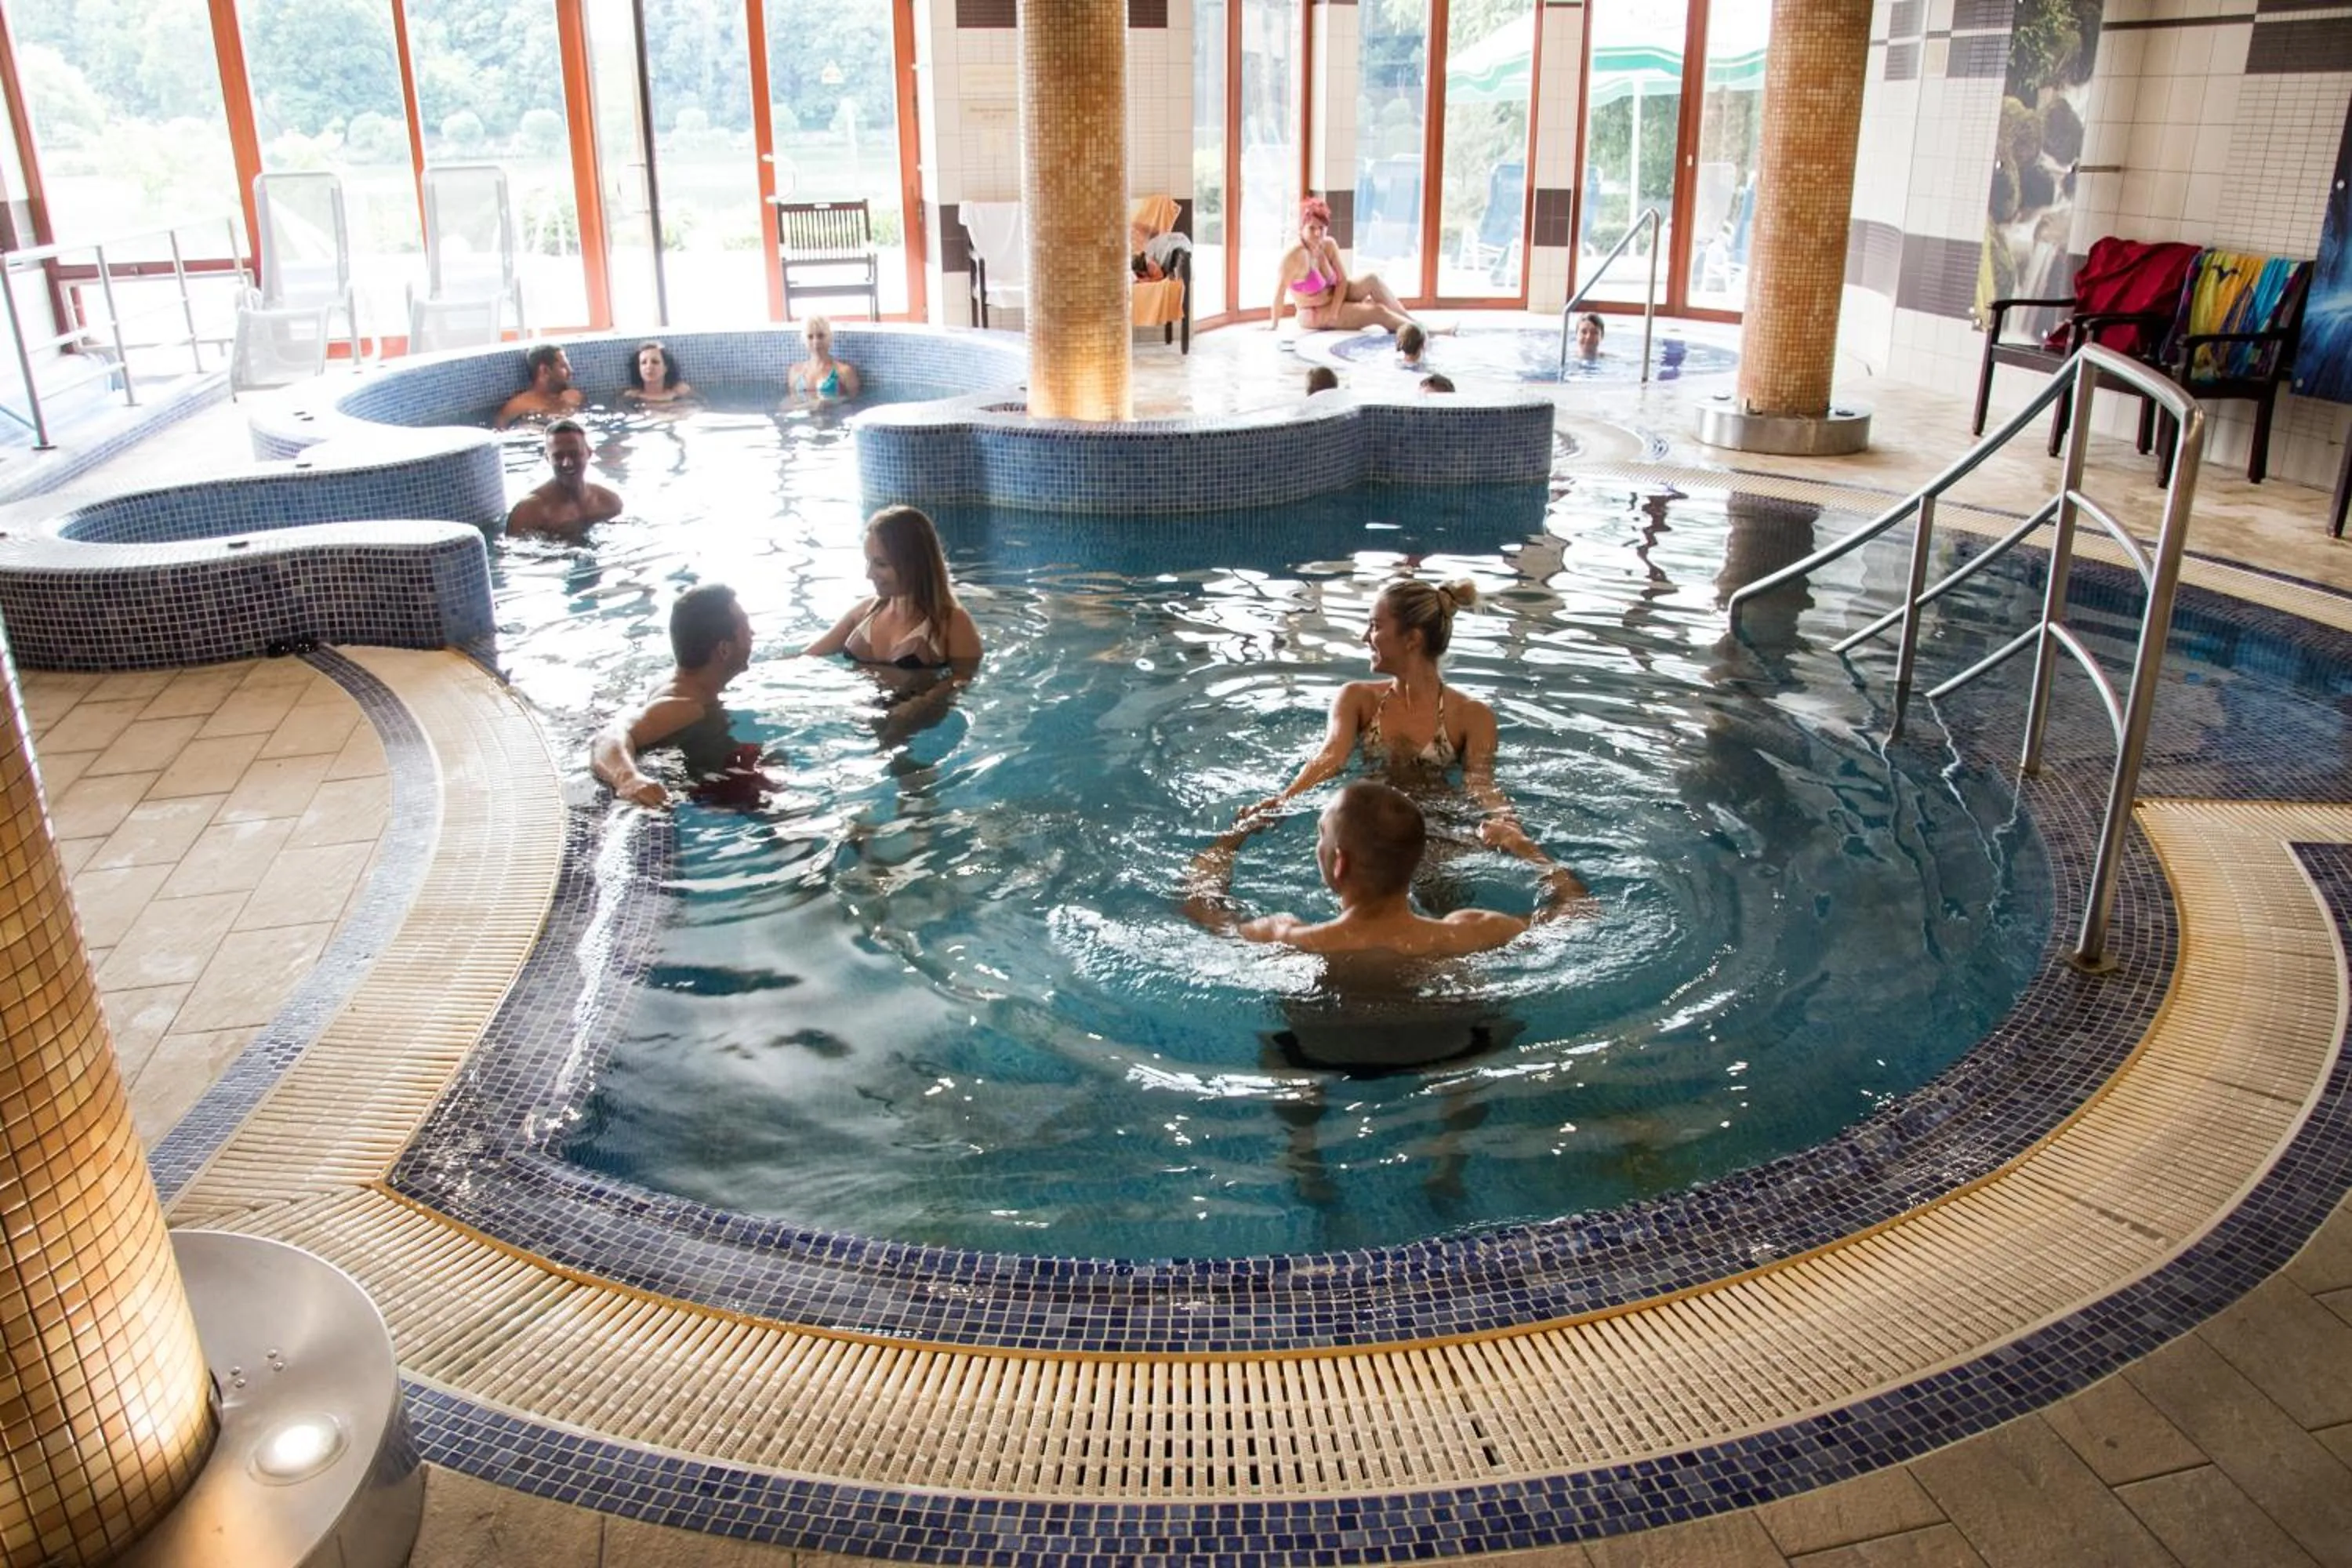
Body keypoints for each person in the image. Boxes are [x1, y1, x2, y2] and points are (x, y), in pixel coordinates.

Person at [1185, 780, 1587, 957]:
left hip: (1320, 1051)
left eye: (1320, 835)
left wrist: (1233, 837)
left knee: (1283, 1055)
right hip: (1451, 1046)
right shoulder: (1470, 931)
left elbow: (1200, 905)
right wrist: (1526, 849)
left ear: (1339, 863)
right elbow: (1576, 913)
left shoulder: (1290, 938)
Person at [1245, 578, 1501, 821]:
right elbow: (1330, 757)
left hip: (1439, 822)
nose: (1365, 637)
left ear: (1412, 639)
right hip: (1371, 822)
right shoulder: (1358, 699)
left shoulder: (1472, 716)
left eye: (1376, 626)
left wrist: (1507, 822)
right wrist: (1284, 800)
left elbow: (1480, 785)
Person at [591, 583, 757, 809]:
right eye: (746, 629)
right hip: (707, 792)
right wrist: (629, 779)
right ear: (724, 650)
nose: (753, 634)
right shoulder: (685, 706)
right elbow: (609, 736)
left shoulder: (681, 682)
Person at [1269, 198, 1418, 336]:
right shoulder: (1294, 256)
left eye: (1321, 228)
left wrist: (1336, 309)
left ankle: (1414, 322)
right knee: (1377, 311)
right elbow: (1279, 293)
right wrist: (1273, 325)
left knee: (1372, 279)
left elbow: (1342, 281)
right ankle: (1416, 333)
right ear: (1302, 228)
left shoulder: (1328, 245)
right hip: (1314, 312)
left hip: (1335, 301)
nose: (1317, 233)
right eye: (1311, 228)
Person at [506, 418, 624, 537]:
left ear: (589, 453)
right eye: (558, 456)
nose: (567, 463)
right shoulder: (529, 512)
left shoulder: (609, 501)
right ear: (548, 458)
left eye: (574, 454)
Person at [495, 344, 583, 428]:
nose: (570, 371)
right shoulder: (518, 406)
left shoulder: (573, 397)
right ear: (544, 370)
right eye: (563, 367)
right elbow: (500, 433)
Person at [787, 316, 861, 401]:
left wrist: (827, 404)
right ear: (804, 341)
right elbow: (790, 402)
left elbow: (855, 403)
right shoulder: (795, 372)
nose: (816, 342)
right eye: (810, 337)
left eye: (820, 336)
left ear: (829, 338)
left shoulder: (844, 372)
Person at [622, 339, 695, 405]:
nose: (649, 366)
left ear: (666, 368)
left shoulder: (680, 392)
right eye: (644, 363)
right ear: (638, 369)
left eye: (655, 362)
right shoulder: (631, 397)